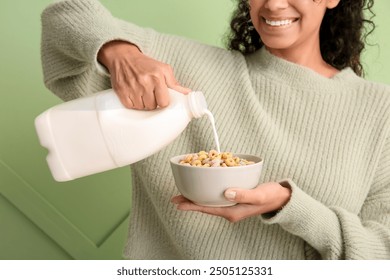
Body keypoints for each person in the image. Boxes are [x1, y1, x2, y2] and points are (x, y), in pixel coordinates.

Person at [40, 0, 390, 259]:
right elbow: (65, 14)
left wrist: (289, 205)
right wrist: (121, 54)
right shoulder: (188, 71)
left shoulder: (379, 110)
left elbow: (381, 253)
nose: (273, 4)